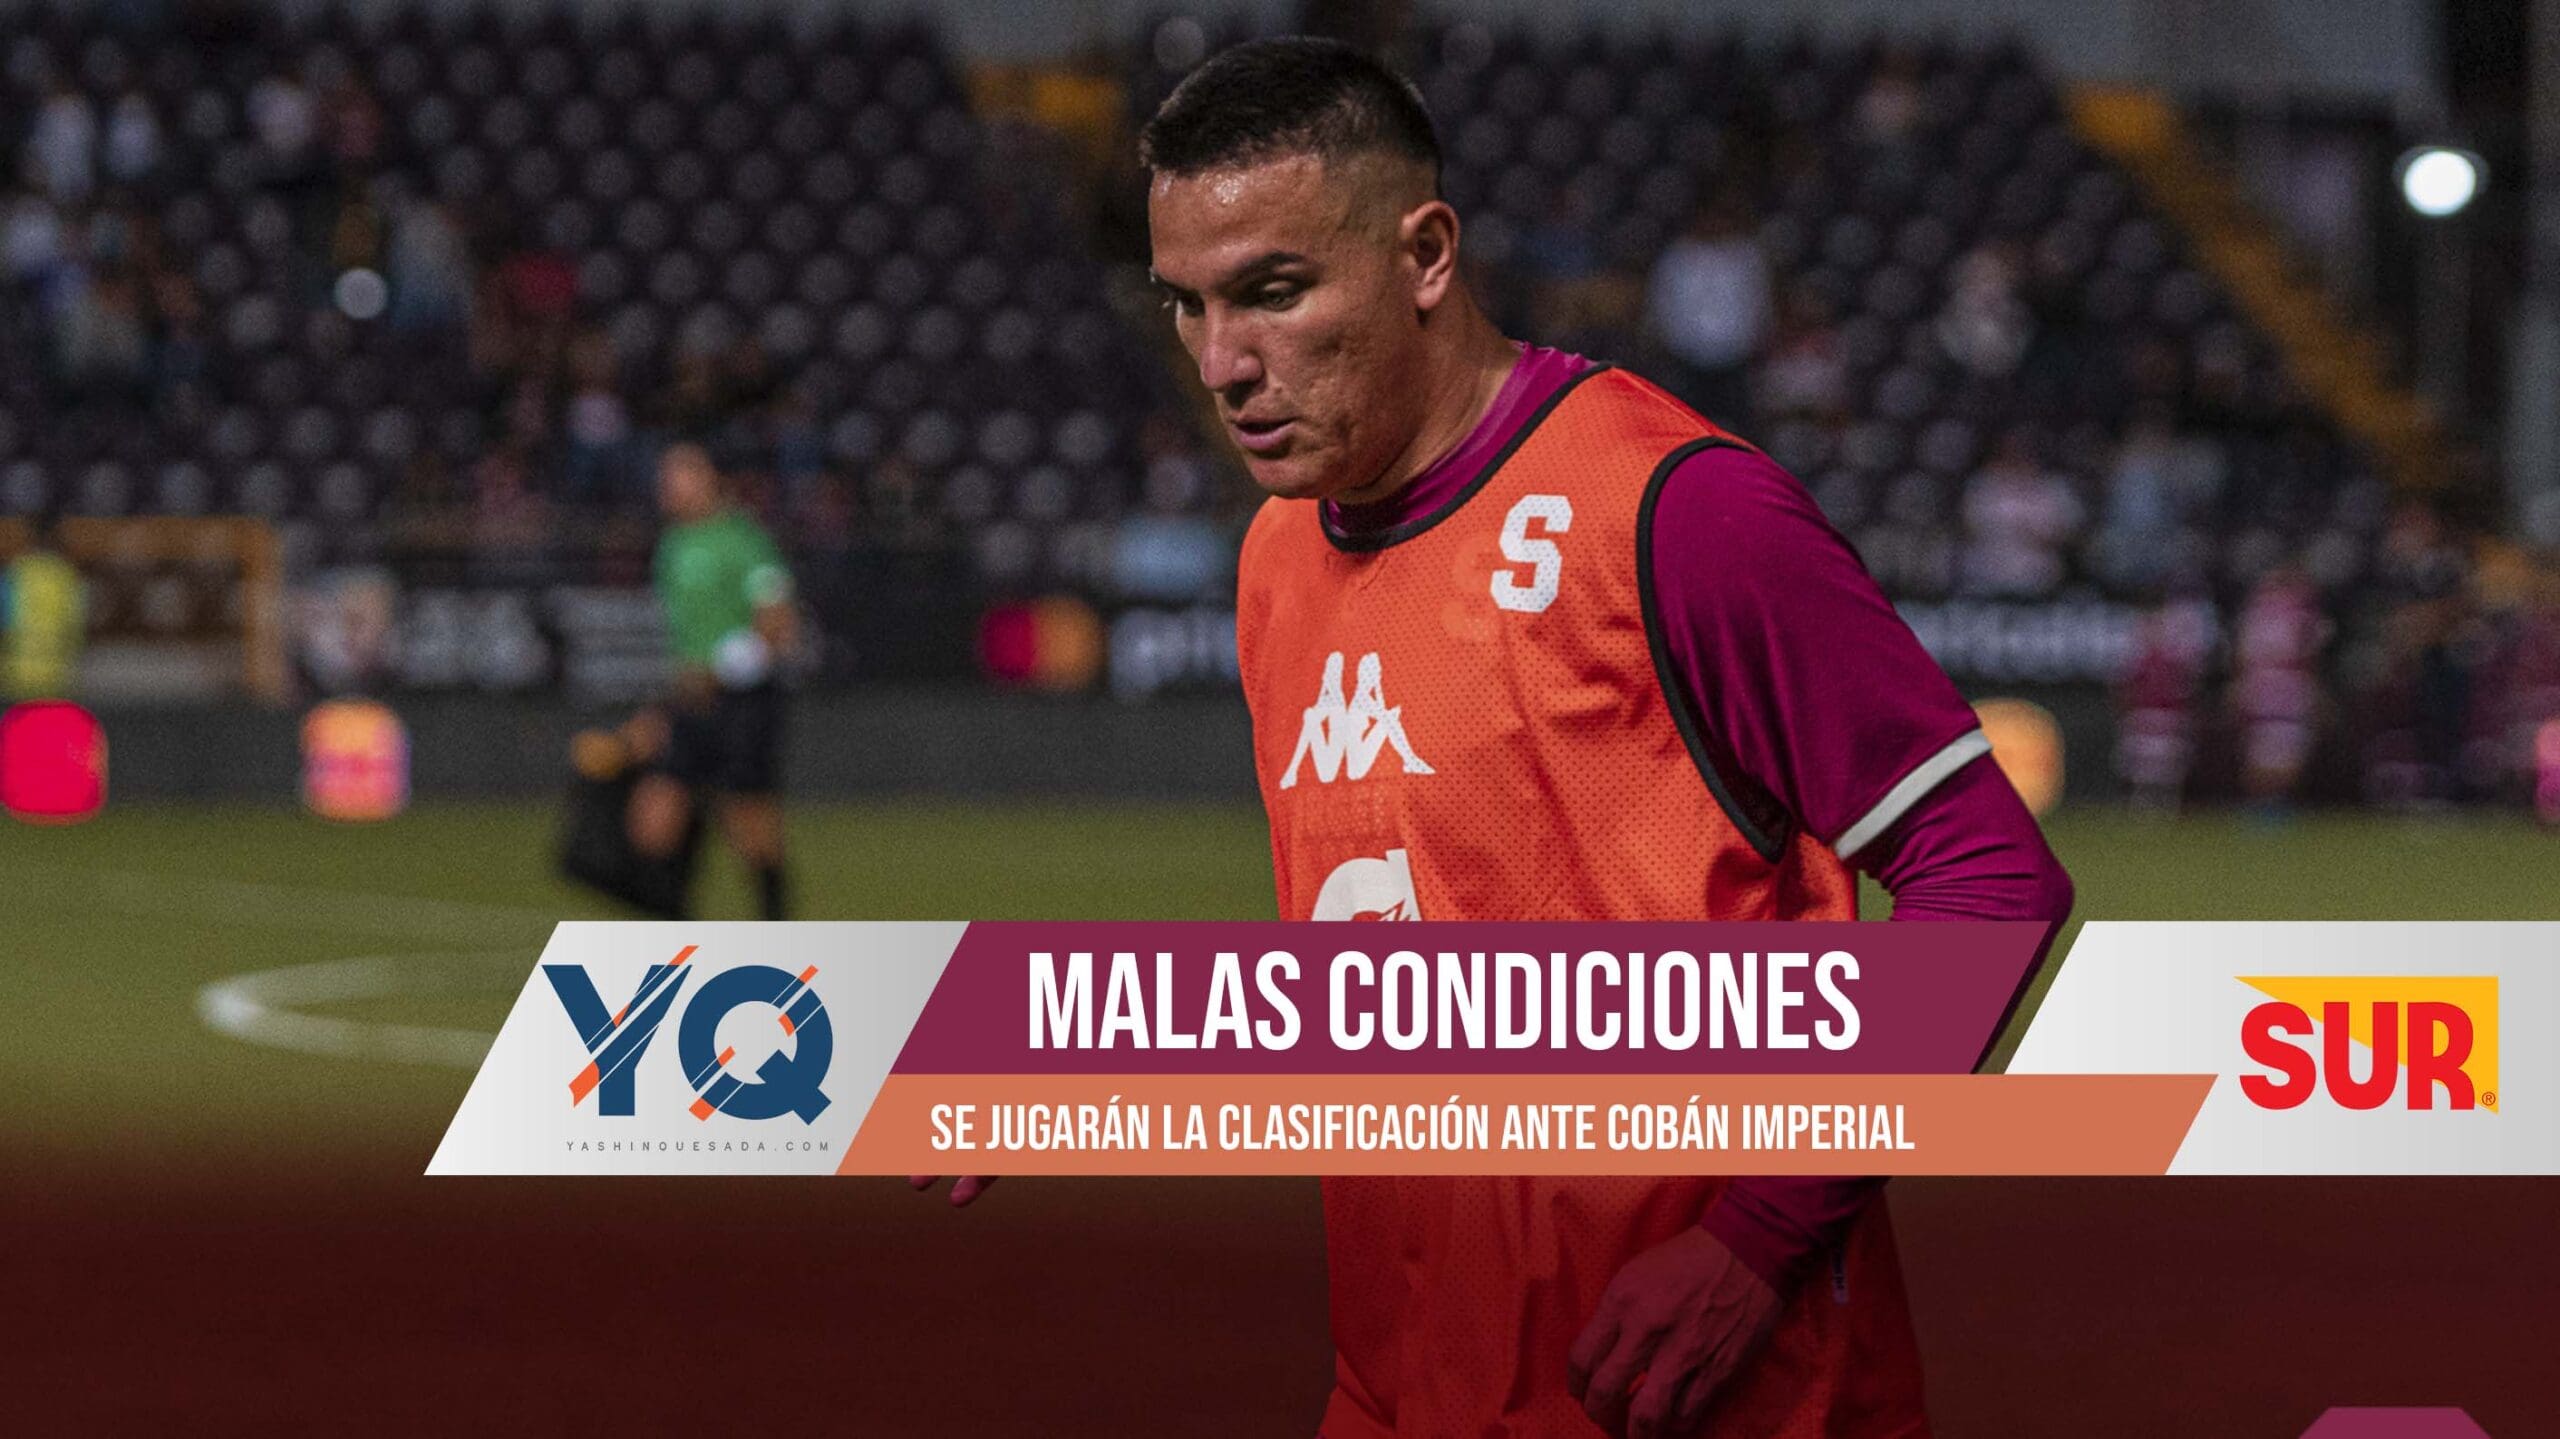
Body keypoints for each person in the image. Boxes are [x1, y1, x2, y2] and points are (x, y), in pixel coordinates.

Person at [917, 39, 2074, 1439]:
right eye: (1187, 305)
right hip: (1405, 1386)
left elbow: (1990, 880)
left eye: (1273, 292)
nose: (1222, 363)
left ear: (1424, 254)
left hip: (1706, 1396)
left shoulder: (1679, 513)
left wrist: (1756, 1238)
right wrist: (1080, 1051)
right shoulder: (1276, 558)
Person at [630, 442, 798, 920]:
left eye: (680, 475)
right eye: (665, 477)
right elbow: (685, 638)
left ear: (710, 480)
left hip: (744, 702)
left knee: (749, 825)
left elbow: (779, 622)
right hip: (689, 701)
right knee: (653, 823)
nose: (668, 487)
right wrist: (666, 703)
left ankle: (777, 929)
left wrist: (723, 669)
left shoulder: (744, 540)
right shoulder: (671, 545)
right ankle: (677, 942)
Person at [4, 512, 85, 699]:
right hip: (57, 676)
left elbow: (5, 621)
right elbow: (76, 623)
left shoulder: (17, 572)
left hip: (17, 675)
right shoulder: (66, 574)